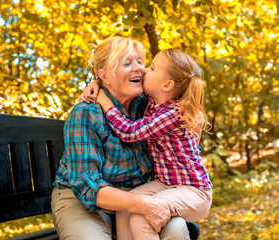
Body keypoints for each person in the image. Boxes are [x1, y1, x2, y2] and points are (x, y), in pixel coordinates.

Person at [51, 36, 191, 240]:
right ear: (104, 75)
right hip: (85, 201)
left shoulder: (148, 105)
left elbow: (184, 85)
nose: (139, 69)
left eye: (140, 62)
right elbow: (87, 184)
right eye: (127, 63)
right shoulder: (85, 114)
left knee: (176, 229)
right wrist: (145, 204)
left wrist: (97, 82)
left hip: (137, 195)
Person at [80, 48, 212, 240]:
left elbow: (129, 131)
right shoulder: (153, 102)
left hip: (193, 191)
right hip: (165, 184)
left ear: (167, 85)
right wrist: (97, 83)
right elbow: (117, 83)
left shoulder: (173, 113)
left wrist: (102, 99)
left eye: (151, 67)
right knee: (125, 208)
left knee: (141, 218)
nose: (143, 70)